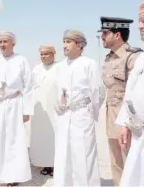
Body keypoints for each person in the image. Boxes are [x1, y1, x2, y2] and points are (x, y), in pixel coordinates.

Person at [0, 31, 34, 186]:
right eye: (1, 42)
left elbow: (29, 86)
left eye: (6, 42)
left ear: (13, 43)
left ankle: (14, 176)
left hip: (14, 105)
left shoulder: (21, 60)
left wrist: (27, 110)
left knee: (13, 140)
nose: (3, 45)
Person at [99, 16, 143, 186]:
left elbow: (136, 92)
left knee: (130, 159)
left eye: (105, 33)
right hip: (111, 114)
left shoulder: (134, 57)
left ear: (117, 35)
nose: (102, 36)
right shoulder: (109, 57)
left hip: (128, 117)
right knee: (116, 160)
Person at [53, 30, 101, 186]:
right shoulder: (60, 66)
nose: (64, 45)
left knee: (83, 154)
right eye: (64, 41)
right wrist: (59, 105)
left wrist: (91, 112)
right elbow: (58, 90)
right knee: (63, 152)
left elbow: (98, 92)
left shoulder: (89, 63)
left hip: (82, 114)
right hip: (65, 115)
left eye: (68, 41)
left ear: (79, 45)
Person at [116, 0, 144, 186]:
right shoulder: (142, 57)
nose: (140, 26)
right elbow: (130, 94)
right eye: (140, 21)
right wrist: (124, 125)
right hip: (139, 133)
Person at [29, 45, 59, 177]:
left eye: (46, 54)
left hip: (54, 109)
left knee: (54, 137)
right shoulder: (36, 69)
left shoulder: (59, 68)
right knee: (41, 137)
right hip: (39, 109)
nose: (43, 57)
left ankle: (55, 164)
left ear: (53, 54)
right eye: (41, 54)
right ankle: (43, 163)